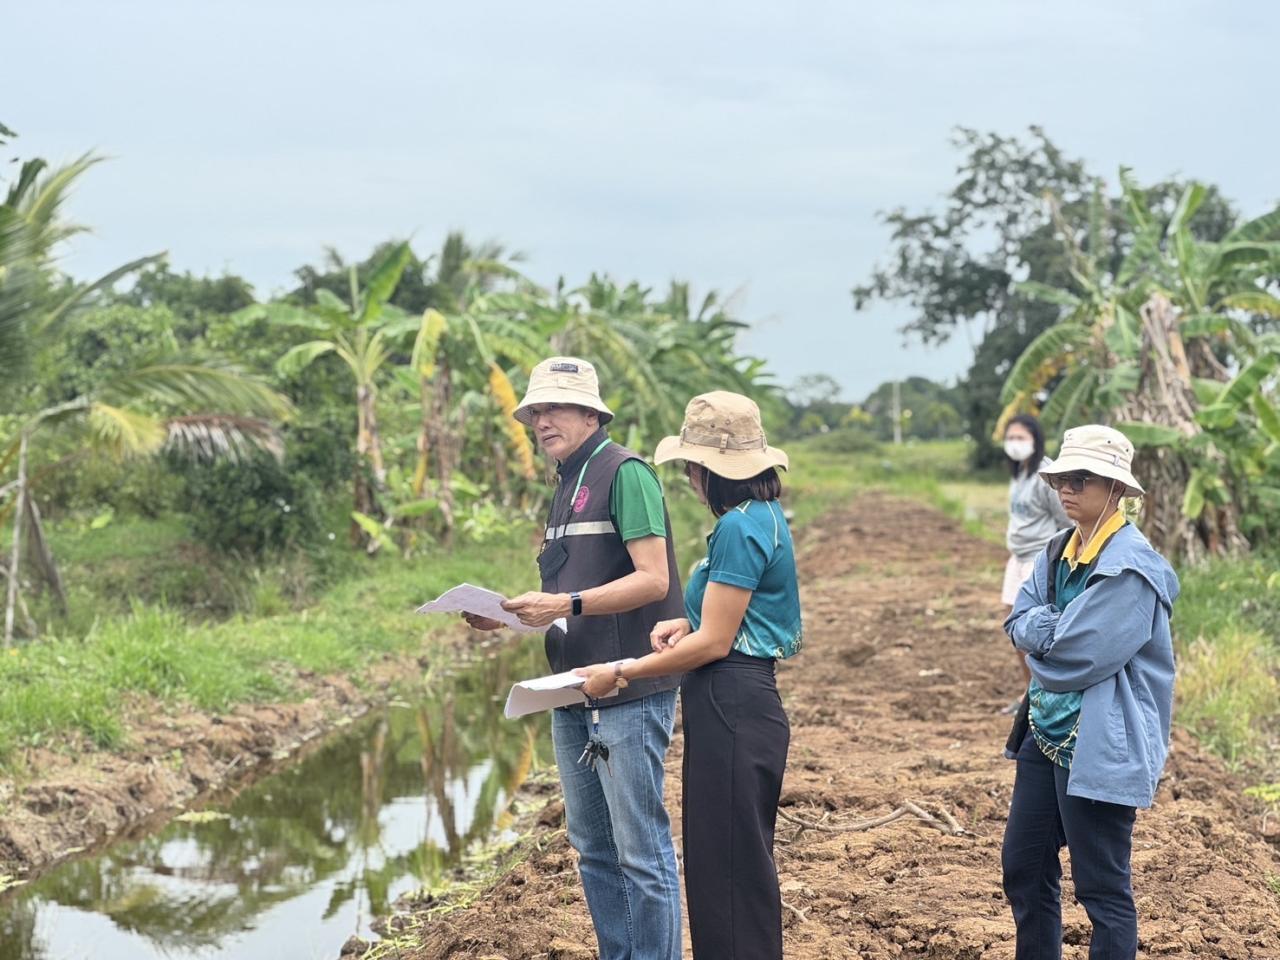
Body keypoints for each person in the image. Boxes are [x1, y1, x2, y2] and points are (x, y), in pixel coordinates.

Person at [462, 356, 686, 960]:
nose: (540, 420)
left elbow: (652, 578)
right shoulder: (566, 484)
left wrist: (565, 600)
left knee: (641, 849)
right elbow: (572, 596)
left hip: (626, 689)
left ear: (592, 412)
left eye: (554, 407)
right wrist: (510, 614)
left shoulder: (625, 474)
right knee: (592, 845)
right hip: (570, 689)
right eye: (535, 410)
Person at [577, 391, 802, 960]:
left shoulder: (737, 529)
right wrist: (685, 620)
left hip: (731, 699)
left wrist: (623, 671)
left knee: (726, 869)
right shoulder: (761, 518)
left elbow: (717, 642)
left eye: (691, 470)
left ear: (706, 472)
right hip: (741, 698)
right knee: (734, 863)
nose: (690, 481)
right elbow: (731, 618)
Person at [1001, 424, 1179, 960]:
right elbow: (1018, 621)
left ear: (1117, 490)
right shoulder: (1058, 550)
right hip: (1046, 727)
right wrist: (1048, 633)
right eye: (1062, 478)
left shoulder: (1131, 566)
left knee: (1102, 888)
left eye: (1082, 478)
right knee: (1024, 867)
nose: (1066, 489)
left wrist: (1044, 638)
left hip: (1101, 738)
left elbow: (1076, 657)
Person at [1000, 414, 1071, 713]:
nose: (1015, 444)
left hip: (1038, 559)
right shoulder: (1020, 473)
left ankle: (1044, 693)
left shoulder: (1046, 475)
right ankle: (1028, 690)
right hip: (1016, 557)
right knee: (1011, 623)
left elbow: (1065, 519)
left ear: (1035, 440)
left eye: (1021, 438)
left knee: (1033, 630)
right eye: (1010, 437)